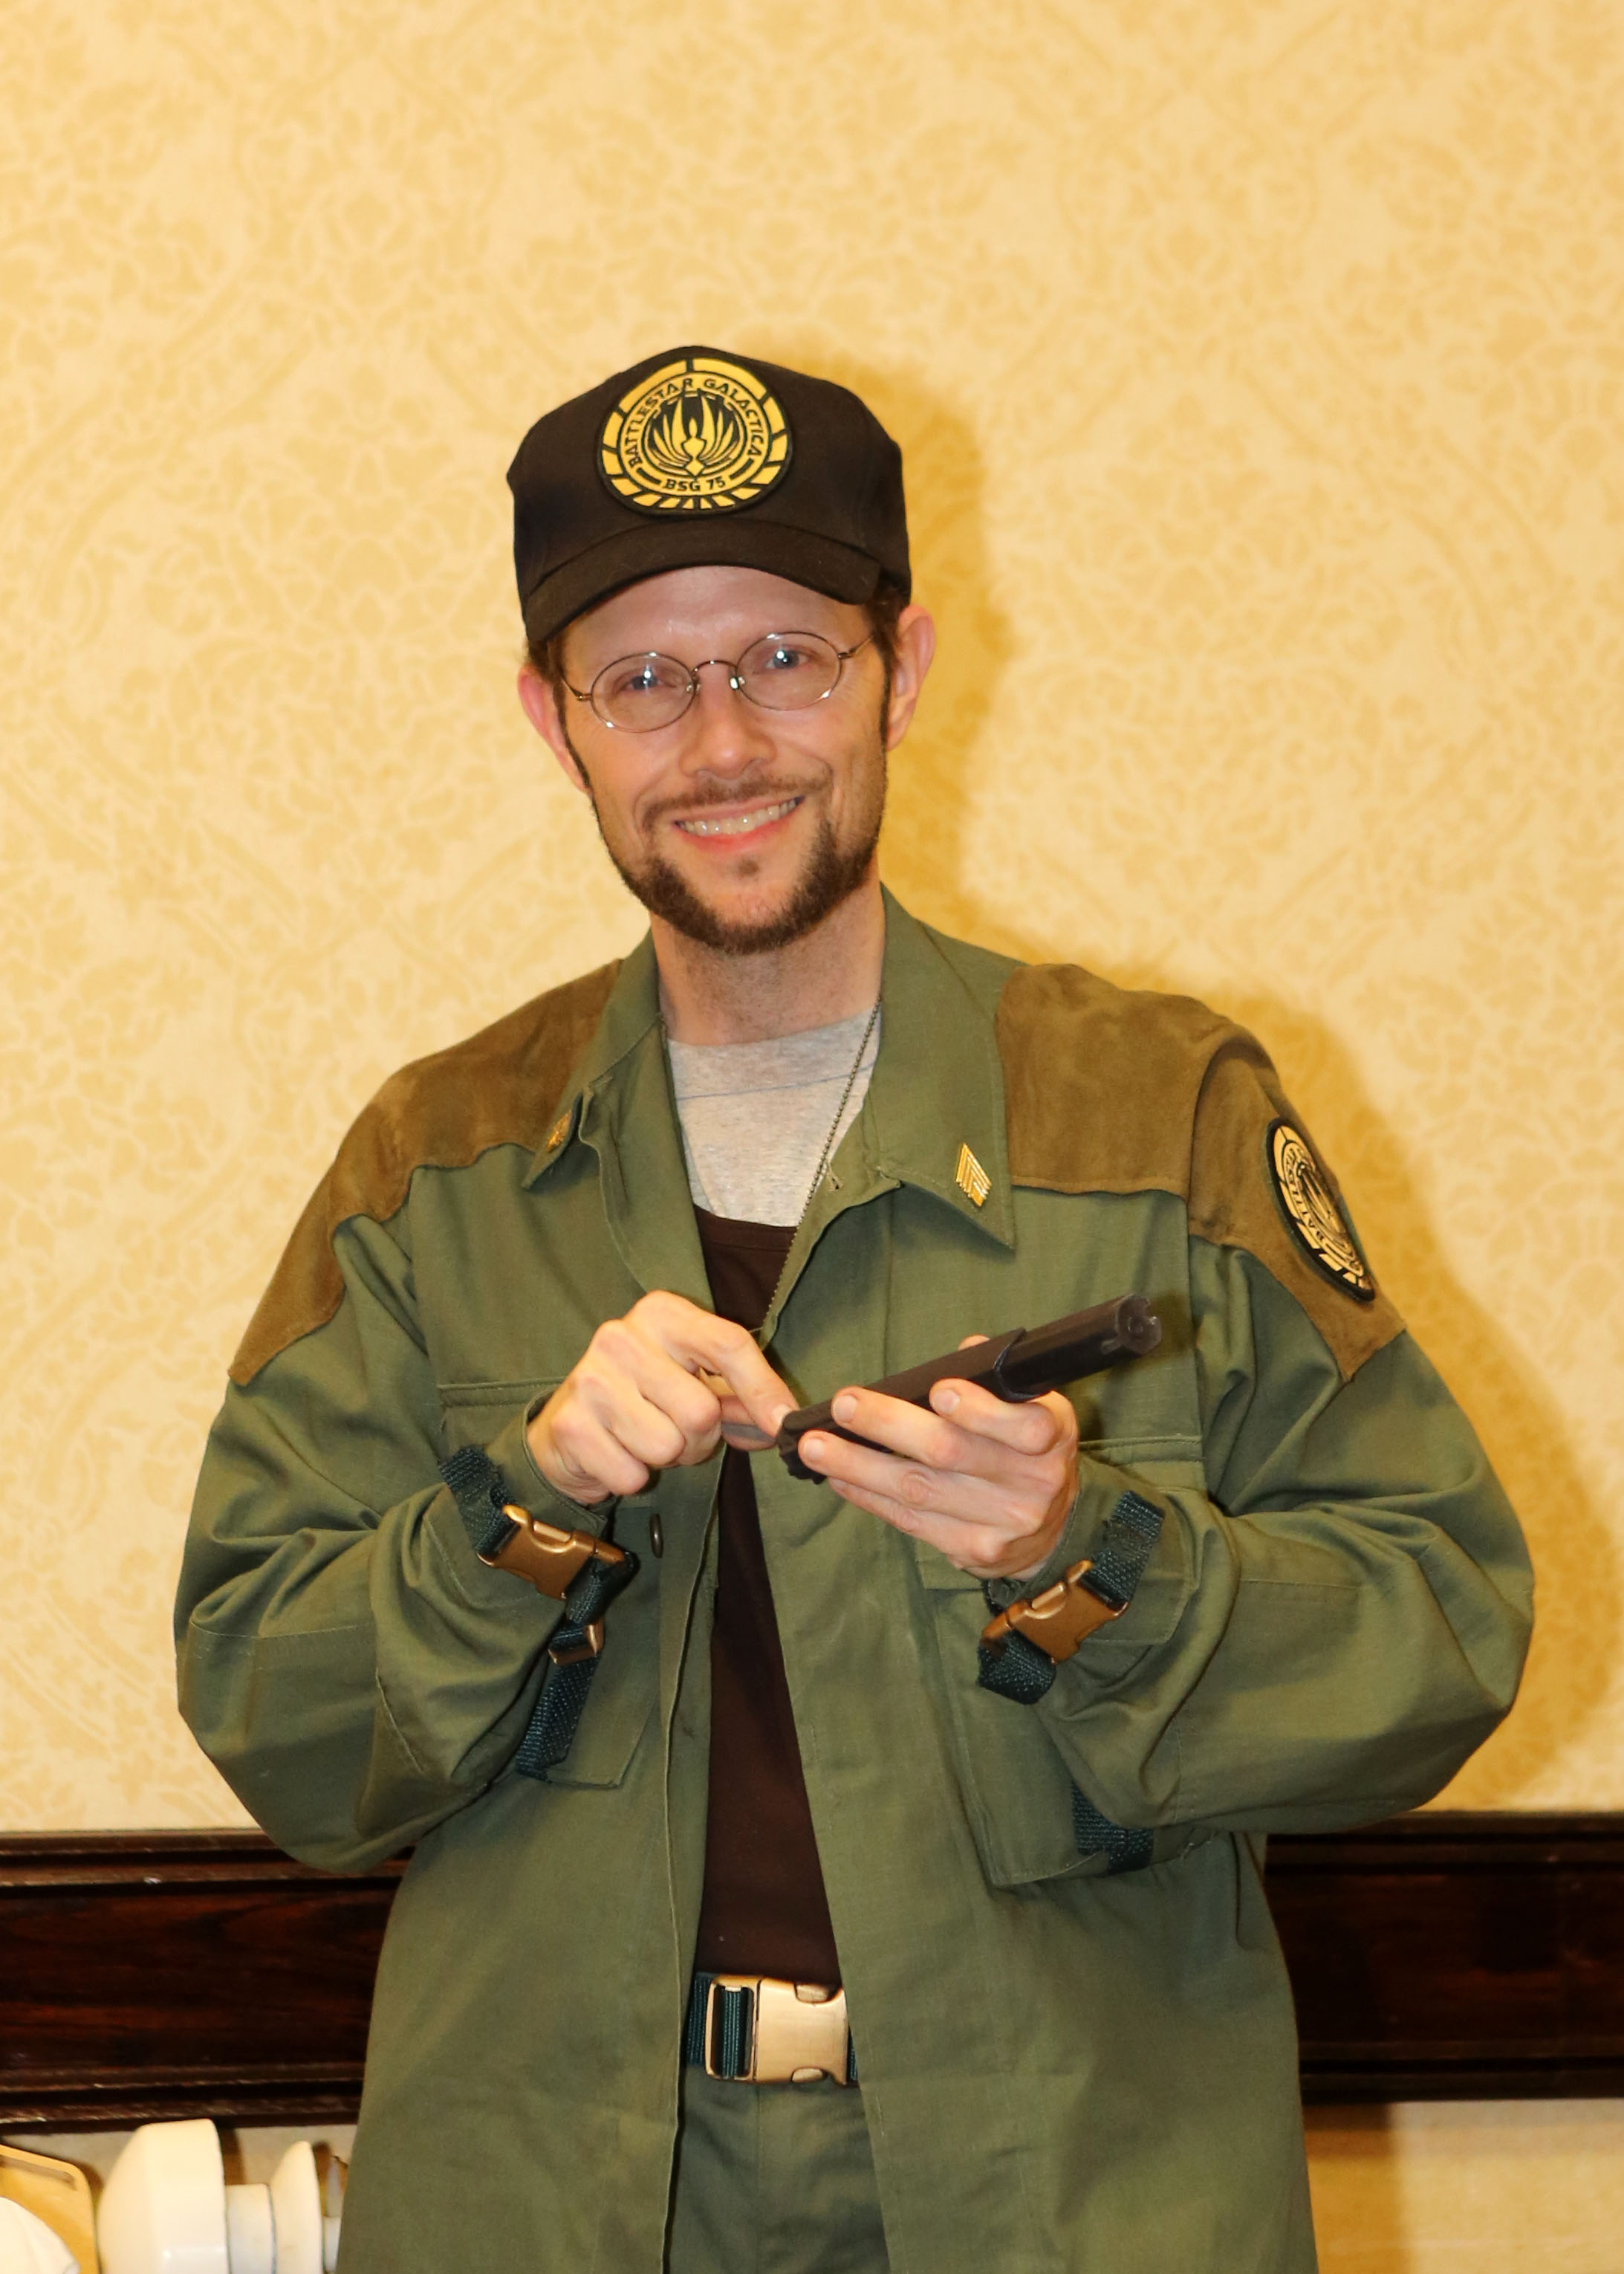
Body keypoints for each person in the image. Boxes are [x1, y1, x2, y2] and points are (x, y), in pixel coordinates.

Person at [175, 346, 1533, 2273]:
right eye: (644, 679)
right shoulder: (436, 1167)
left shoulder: (1162, 1115)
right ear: (554, 724)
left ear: (900, 671)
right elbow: (274, 1712)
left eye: (784, 659)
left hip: (1072, 2192)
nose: (722, 741)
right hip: (559, 2201)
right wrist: (524, 1505)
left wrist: (1080, 1552)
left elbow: (1436, 1633)